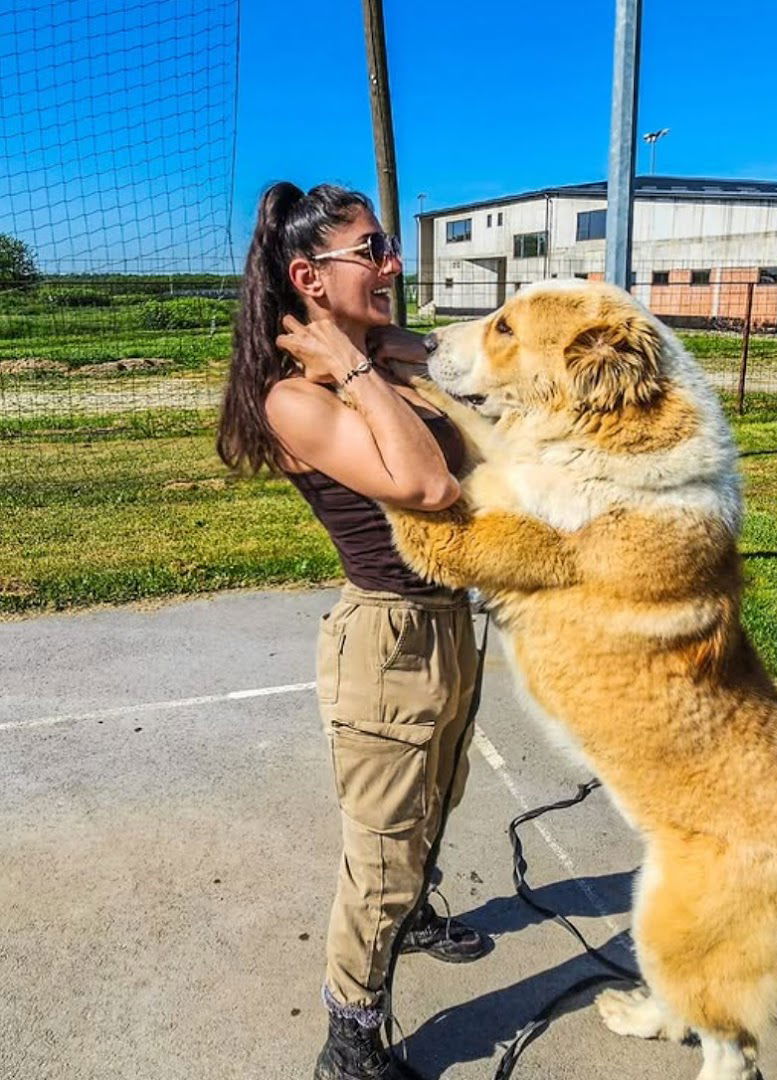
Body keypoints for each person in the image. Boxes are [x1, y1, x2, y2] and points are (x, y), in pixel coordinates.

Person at [216, 182, 491, 1080]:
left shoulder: (380, 356)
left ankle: (414, 919)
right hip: (387, 644)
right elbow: (425, 487)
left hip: (452, 626)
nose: (393, 264)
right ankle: (349, 1032)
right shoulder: (294, 402)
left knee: (436, 805)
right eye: (372, 250)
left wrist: (369, 346)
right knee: (381, 851)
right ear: (309, 275)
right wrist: (355, 363)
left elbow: (452, 355)